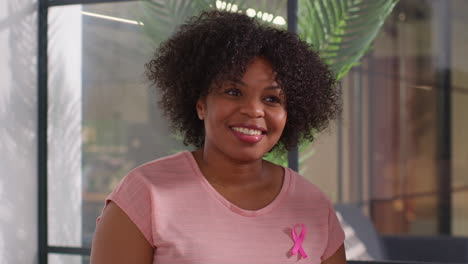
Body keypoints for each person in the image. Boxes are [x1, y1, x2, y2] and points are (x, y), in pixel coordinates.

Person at [90, 10, 345, 264]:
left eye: (272, 99)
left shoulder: (314, 205)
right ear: (201, 104)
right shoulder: (146, 194)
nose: (254, 110)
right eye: (233, 92)